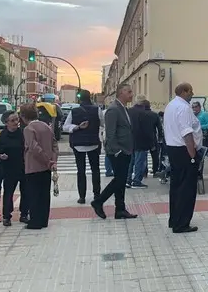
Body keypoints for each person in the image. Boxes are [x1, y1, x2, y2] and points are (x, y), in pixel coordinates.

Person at [91, 84, 137, 220]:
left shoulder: (124, 109)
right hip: (118, 152)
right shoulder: (113, 110)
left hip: (126, 150)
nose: (131, 94)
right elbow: (110, 134)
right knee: (119, 180)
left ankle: (120, 209)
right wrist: (117, 151)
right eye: (129, 92)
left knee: (121, 182)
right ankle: (98, 201)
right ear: (121, 93)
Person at [164, 83, 202, 233]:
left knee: (176, 187)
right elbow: (187, 133)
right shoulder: (184, 107)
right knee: (186, 188)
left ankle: (174, 219)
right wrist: (193, 154)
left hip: (173, 149)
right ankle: (182, 223)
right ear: (184, 92)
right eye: (191, 91)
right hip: (184, 150)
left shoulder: (171, 105)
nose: (192, 93)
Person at [20, 104, 58, 230]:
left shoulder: (28, 129)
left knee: (34, 194)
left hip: (34, 166)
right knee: (44, 194)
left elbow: (33, 147)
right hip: (47, 167)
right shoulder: (46, 126)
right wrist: (53, 160)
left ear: (24, 117)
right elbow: (54, 144)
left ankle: (35, 221)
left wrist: (46, 160)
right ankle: (43, 219)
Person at [63, 90, 103, 204]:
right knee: (95, 170)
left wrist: (77, 127)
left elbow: (66, 127)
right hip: (93, 144)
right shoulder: (97, 109)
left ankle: (82, 197)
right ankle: (97, 194)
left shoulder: (74, 111)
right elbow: (103, 123)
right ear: (90, 97)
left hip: (78, 144)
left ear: (80, 99)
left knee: (81, 171)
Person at [0, 111, 28, 226]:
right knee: (8, 193)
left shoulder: (23, 133)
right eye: (12, 120)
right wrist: (1, 156)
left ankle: (24, 214)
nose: (16, 122)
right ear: (6, 123)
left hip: (23, 167)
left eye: (16, 119)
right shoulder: (2, 136)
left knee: (26, 191)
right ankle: (6, 216)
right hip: (9, 168)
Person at [128, 96, 155, 189]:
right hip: (141, 141)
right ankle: (136, 181)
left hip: (130, 140)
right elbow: (148, 130)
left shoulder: (129, 111)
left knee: (130, 161)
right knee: (140, 162)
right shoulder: (144, 113)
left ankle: (128, 180)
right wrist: (151, 143)